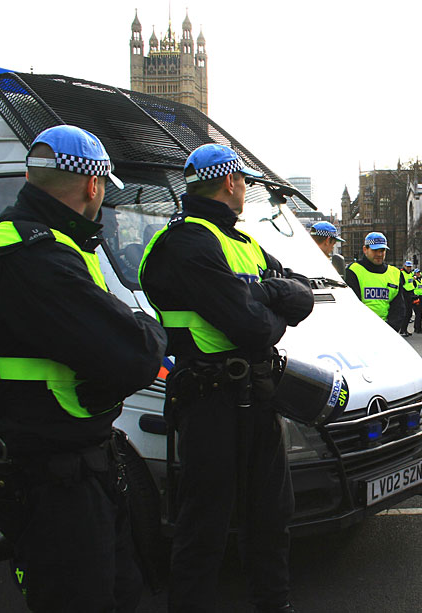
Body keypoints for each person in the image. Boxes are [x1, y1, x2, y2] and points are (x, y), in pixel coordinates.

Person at [0, 125, 166, 611]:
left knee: (120, 589)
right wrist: (147, 326)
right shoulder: (31, 255)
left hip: (75, 465)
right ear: (92, 185)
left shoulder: (53, 246)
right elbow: (135, 354)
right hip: (52, 479)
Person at [139, 143, 314, 612]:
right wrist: (271, 307)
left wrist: (265, 294)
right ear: (230, 181)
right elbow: (253, 328)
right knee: (204, 527)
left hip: (258, 395)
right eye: (243, 182)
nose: (244, 189)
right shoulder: (186, 242)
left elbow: (302, 295)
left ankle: (273, 604)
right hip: (209, 399)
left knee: (271, 518)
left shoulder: (244, 242)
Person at [345, 232, 407, 331]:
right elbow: (351, 307)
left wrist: (390, 329)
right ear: (365, 249)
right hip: (361, 330)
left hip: (387, 331)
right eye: (375, 250)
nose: (379, 254)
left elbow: (398, 307)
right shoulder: (353, 271)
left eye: (382, 250)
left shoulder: (395, 273)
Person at [399, 260, 416, 336]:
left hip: (410, 294)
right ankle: (402, 330)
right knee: (406, 313)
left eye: (410, 267)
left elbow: (412, 283)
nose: (409, 268)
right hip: (404, 294)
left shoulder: (411, 274)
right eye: (407, 267)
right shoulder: (401, 273)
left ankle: (405, 329)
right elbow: (401, 284)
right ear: (404, 266)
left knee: (409, 313)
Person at [411, 269, 422, 333]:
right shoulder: (414, 281)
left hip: (421, 298)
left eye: (419, 272)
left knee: (419, 314)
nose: (418, 274)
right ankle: (418, 329)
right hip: (416, 298)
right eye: (417, 273)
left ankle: (417, 328)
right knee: (418, 314)